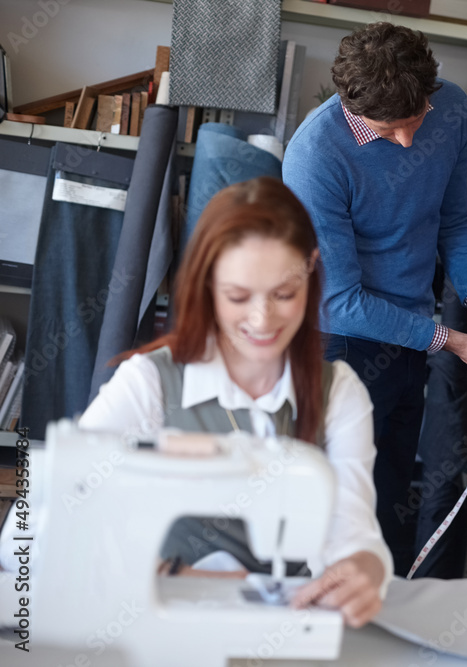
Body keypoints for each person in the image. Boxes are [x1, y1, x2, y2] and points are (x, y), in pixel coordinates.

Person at [76, 177, 390, 628]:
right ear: (207, 285)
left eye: (284, 294)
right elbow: (47, 519)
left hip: (287, 628)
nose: (263, 319)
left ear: (312, 269)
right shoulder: (150, 385)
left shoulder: (338, 392)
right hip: (161, 625)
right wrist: (171, 574)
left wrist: (365, 568)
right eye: (238, 297)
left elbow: (352, 527)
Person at [283, 22, 467, 575]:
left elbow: (454, 224)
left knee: (388, 509)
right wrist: (455, 341)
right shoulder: (314, 157)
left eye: (415, 119)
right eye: (387, 130)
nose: (407, 142)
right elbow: (339, 301)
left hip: (409, 339)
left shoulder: (451, 109)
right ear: (352, 108)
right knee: (333, 517)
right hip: (335, 344)